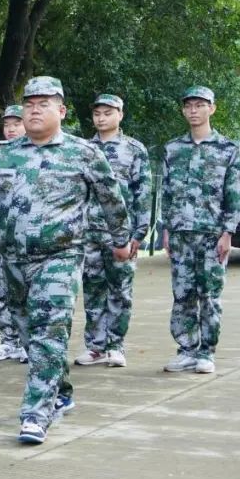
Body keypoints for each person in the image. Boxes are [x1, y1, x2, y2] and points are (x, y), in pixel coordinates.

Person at [0, 77, 131, 445]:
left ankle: (35, 414)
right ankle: (61, 390)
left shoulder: (83, 153)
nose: (35, 110)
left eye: (44, 103)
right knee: (30, 335)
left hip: (60, 258)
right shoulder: (3, 153)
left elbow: (111, 200)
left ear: (62, 111)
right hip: (12, 260)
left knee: (49, 333)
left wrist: (122, 240)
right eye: (29, 104)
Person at [160, 86, 240, 375]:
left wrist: (228, 232)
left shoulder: (228, 149)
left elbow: (235, 194)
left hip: (212, 235)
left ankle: (206, 352)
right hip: (180, 234)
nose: (193, 110)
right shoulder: (173, 149)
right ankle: (186, 350)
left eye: (200, 105)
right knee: (182, 294)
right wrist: (166, 229)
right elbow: (167, 193)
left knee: (209, 295)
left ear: (212, 108)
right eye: (189, 106)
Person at [75, 95, 152, 368]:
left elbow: (143, 193)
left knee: (120, 290)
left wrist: (138, 234)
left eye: (108, 113)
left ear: (120, 115)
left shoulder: (134, 149)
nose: (101, 118)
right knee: (92, 289)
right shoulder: (83, 148)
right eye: (97, 113)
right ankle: (95, 346)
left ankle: (115, 345)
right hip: (88, 232)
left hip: (120, 233)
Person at [0, 105, 28, 362]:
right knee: (2, 290)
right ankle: (8, 341)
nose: (10, 129)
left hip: (32, 238)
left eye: (16, 124)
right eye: (7, 124)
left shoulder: (38, 153)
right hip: (3, 236)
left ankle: (28, 343)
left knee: (29, 293)